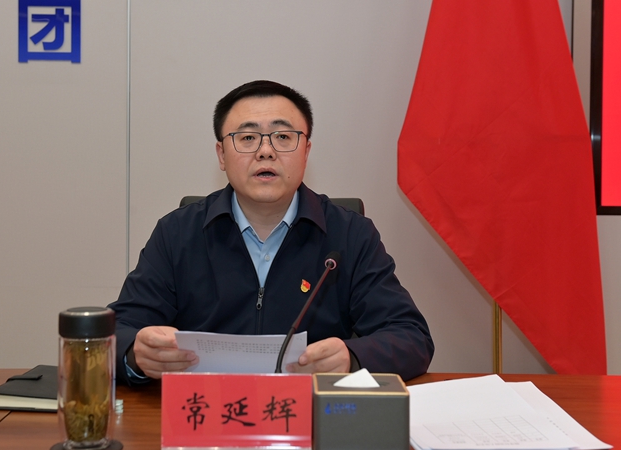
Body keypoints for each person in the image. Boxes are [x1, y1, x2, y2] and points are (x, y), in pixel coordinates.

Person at [109, 80, 434, 385]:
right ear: (222, 155)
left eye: (283, 137)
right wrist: (135, 353)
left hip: (308, 415)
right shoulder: (177, 233)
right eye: (247, 138)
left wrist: (351, 357)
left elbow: (411, 337)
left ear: (306, 151)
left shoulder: (350, 234)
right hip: (205, 411)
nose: (266, 151)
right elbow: (118, 331)